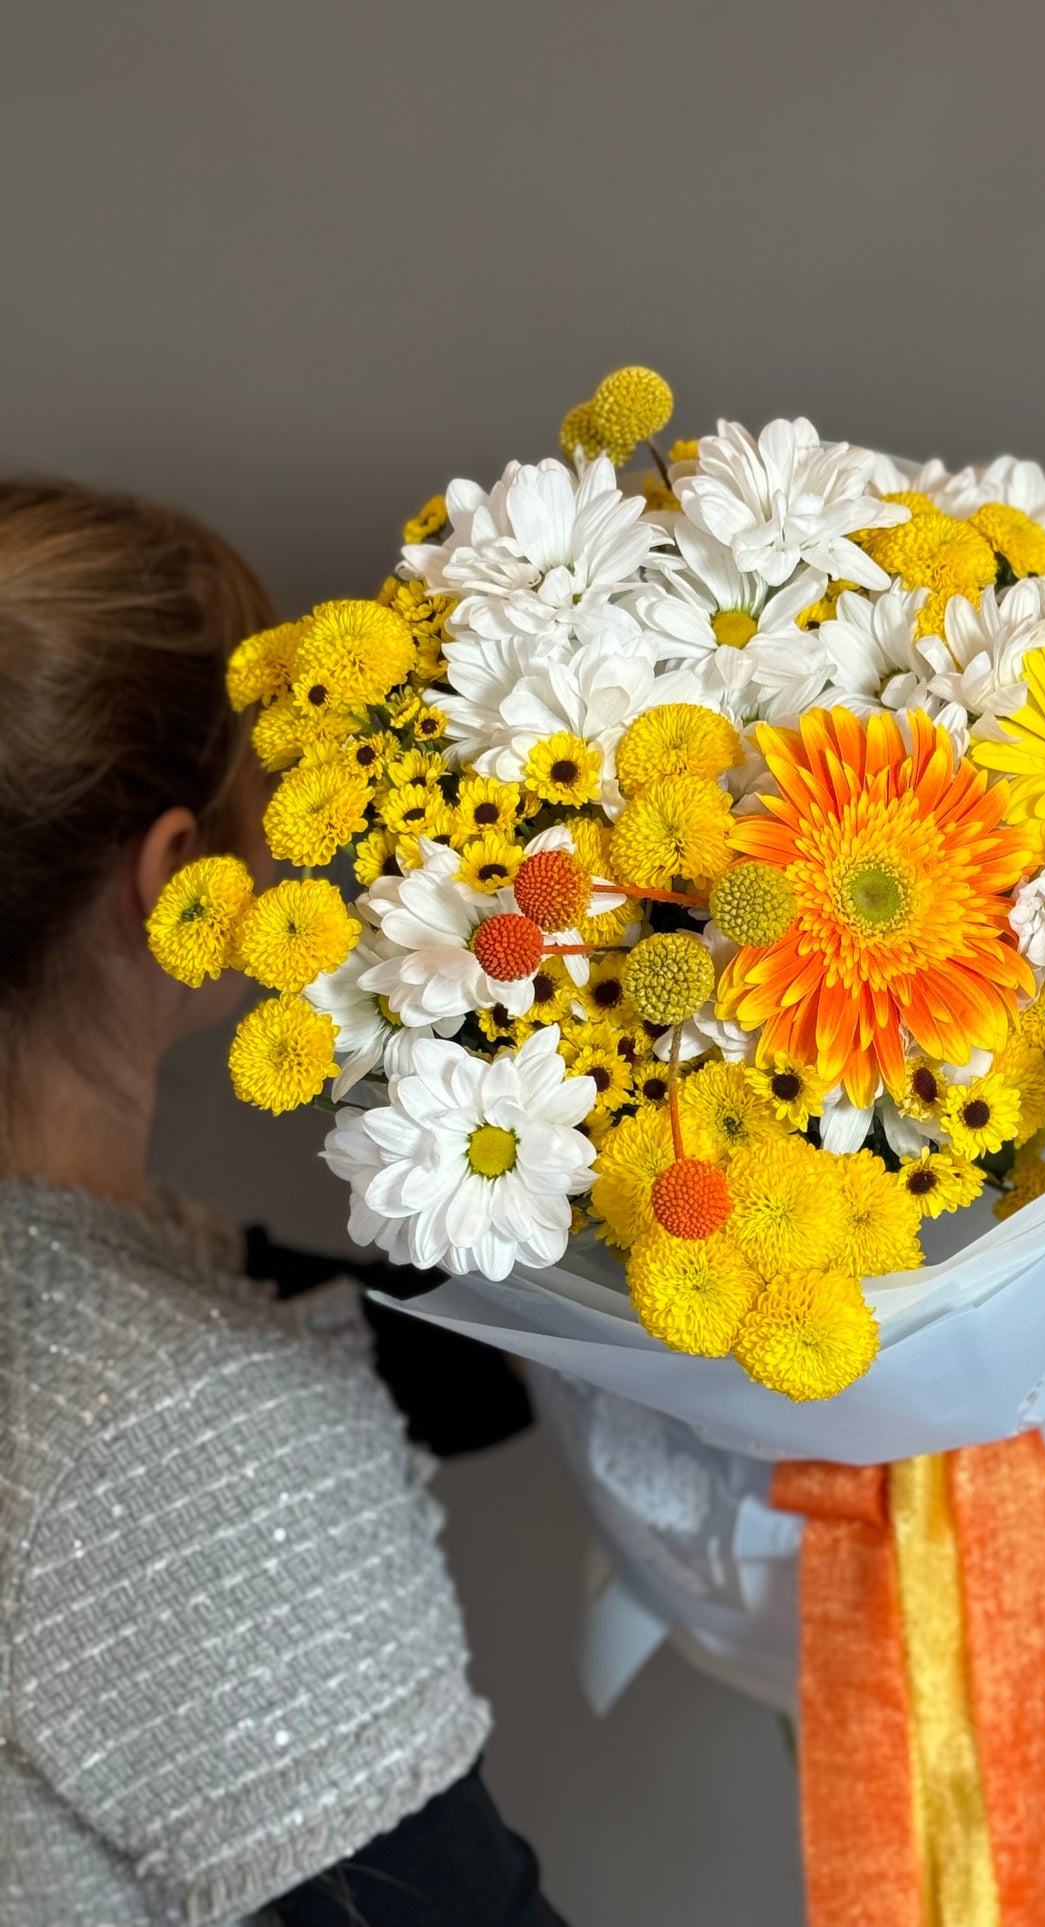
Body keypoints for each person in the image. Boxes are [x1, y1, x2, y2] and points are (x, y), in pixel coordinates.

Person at [0, 479, 569, 1927]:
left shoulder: (113, 1308)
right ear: (174, 879)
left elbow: (405, 1353)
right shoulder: (172, 1428)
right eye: (279, 775)